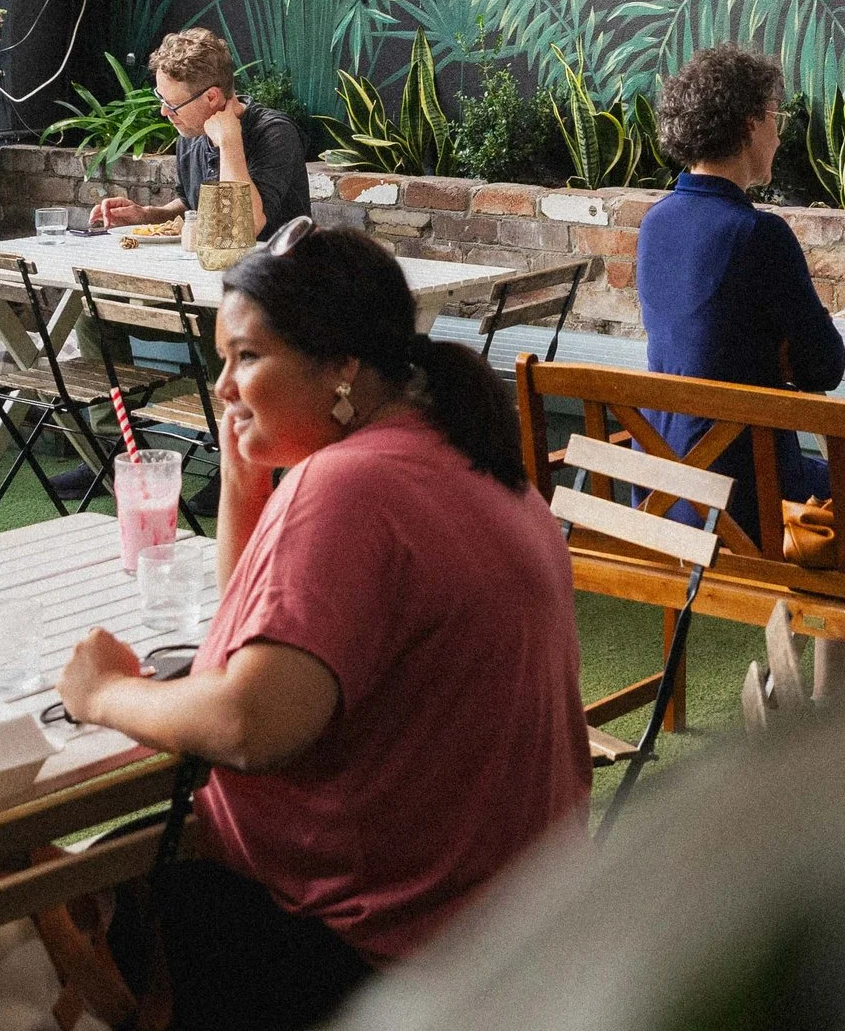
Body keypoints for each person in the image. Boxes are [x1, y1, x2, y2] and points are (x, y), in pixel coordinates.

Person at [53, 225, 587, 1029]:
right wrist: (243, 481)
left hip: (379, 960)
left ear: (340, 365)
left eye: (248, 356)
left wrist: (103, 693)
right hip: (515, 937)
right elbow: (260, 642)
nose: (222, 385)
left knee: (49, 892)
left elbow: (245, 721)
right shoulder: (464, 456)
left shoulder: (350, 486)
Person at [636, 45, 845, 533]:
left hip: (663, 492)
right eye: (777, 119)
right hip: (749, 501)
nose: (779, 136)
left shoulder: (655, 224)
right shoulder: (759, 234)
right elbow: (825, 368)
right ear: (752, 123)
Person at [91, 28, 311, 239]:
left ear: (212, 97)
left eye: (173, 104)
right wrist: (147, 215)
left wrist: (228, 142)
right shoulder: (191, 132)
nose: (164, 111)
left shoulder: (276, 133)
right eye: (161, 98)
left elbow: (244, 229)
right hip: (210, 270)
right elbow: (191, 207)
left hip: (275, 272)